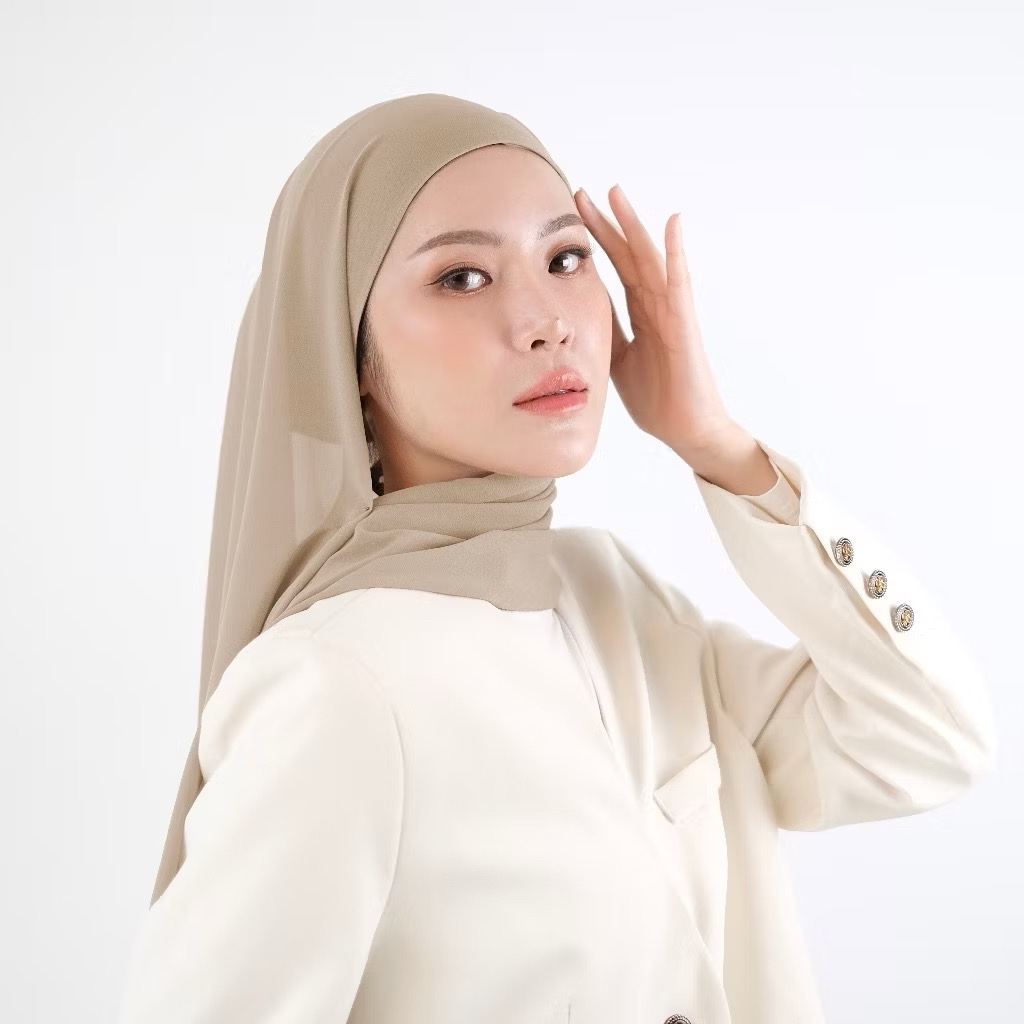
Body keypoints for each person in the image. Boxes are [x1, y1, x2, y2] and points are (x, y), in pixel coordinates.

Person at [115, 92, 996, 1024]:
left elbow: (926, 740)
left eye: (566, 258)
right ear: (350, 353)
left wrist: (718, 446)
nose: (545, 320)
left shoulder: (616, 597)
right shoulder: (335, 684)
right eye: (462, 277)